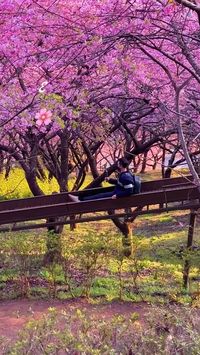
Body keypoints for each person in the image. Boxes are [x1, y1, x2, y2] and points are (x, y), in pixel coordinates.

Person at [69, 158, 136, 202]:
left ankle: (80, 200)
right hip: (116, 190)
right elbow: (120, 182)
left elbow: (129, 191)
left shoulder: (126, 177)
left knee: (99, 196)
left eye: (118, 163)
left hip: (116, 193)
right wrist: (110, 180)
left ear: (121, 165)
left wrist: (117, 195)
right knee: (98, 191)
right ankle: (80, 197)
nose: (117, 165)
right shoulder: (124, 174)